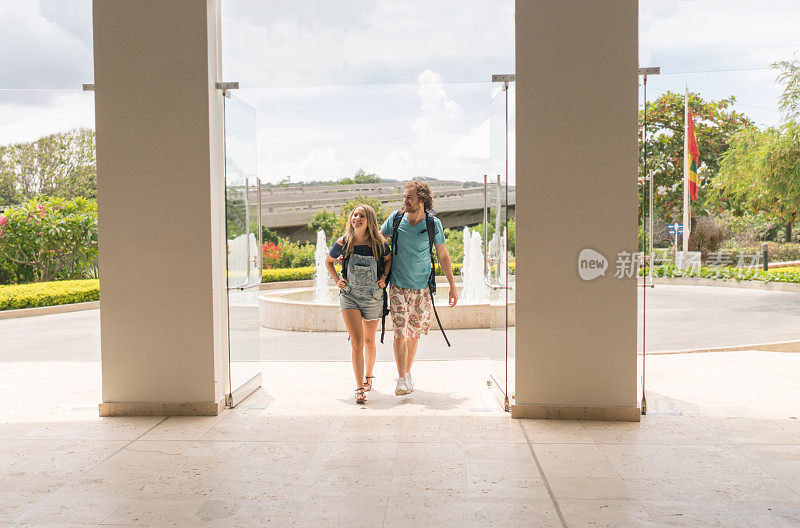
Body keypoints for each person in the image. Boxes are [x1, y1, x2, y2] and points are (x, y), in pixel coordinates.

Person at [381, 181, 458, 396]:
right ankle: (401, 378)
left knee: (413, 334)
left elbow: (443, 256)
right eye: (405, 196)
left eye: (410, 197)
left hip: (422, 288)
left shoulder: (433, 224)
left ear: (422, 199)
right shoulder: (396, 220)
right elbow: (377, 240)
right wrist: (350, 247)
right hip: (397, 285)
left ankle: (407, 373)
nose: (405, 201)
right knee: (400, 333)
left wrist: (452, 286)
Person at [325, 204, 392, 404]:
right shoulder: (343, 242)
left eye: (361, 215)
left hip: (373, 296)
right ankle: (359, 387)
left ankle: (368, 377)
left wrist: (384, 277)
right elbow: (328, 261)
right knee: (357, 341)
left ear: (369, 220)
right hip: (350, 295)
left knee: (370, 341)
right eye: (355, 215)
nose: (357, 218)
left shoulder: (379, 244)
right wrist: (337, 280)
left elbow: (389, 260)